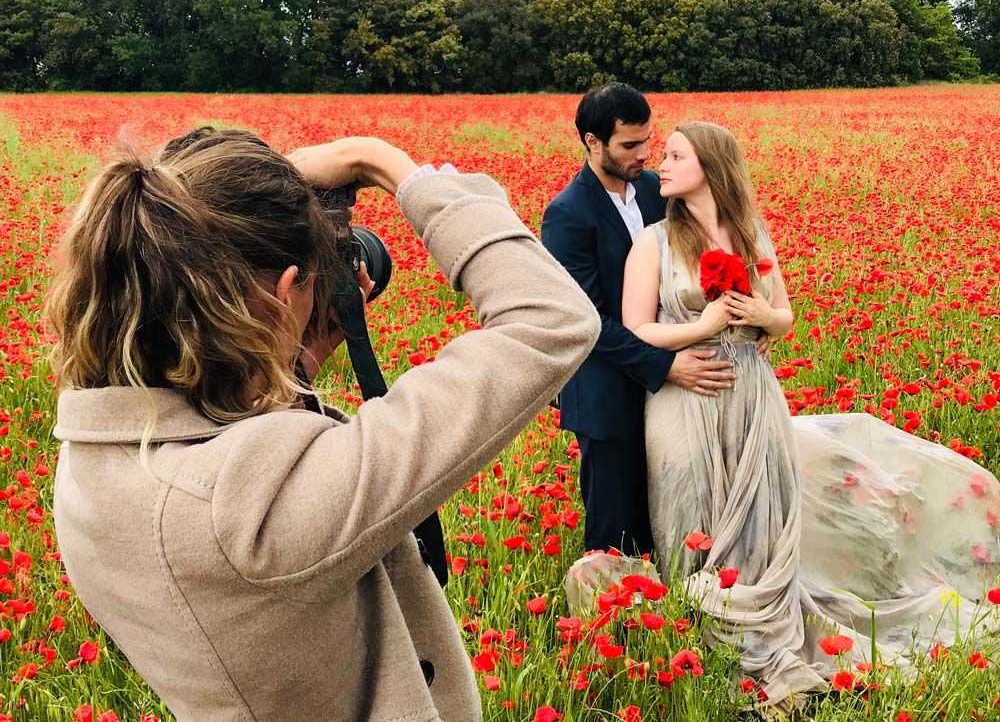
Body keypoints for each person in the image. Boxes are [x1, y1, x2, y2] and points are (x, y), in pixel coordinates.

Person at [48, 128, 600, 722]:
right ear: (284, 292)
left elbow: (218, 462)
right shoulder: (251, 511)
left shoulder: (90, 460)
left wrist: (290, 356)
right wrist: (389, 165)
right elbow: (550, 319)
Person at [585, 120, 1000, 709]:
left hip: (754, 396)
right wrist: (702, 328)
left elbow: (784, 318)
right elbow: (635, 327)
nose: (662, 166)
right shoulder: (652, 241)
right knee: (692, 521)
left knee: (764, 521)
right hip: (684, 399)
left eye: (676, 156)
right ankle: (708, 654)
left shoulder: (751, 232)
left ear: (710, 164)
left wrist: (759, 311)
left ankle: (770, 647)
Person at [542, 84, 765, 556]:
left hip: (679, 396)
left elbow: (704, 253)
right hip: (610, 393)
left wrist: (748, 322)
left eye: (648, 140)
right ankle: (615, 623)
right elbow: (587, 320)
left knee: (675, 515)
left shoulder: (655, 190)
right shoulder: (567, 215)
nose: (645, 154)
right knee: (618, 530)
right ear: (591, 142)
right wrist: (666, 366)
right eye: (629, 145)